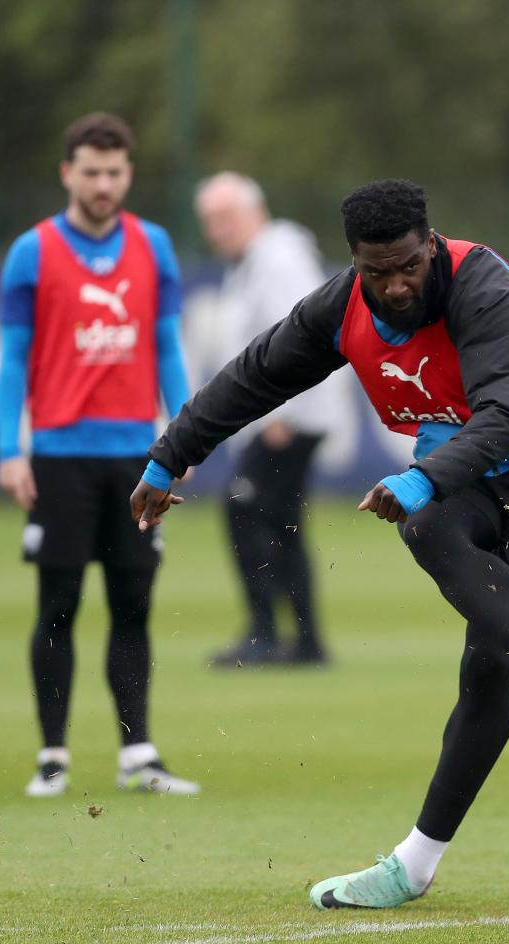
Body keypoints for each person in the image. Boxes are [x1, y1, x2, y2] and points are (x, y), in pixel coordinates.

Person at [130, 178, 509, 908]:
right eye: (376, 272)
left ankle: (414, 865)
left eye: (407, 267)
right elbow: (254, 377)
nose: (394, 287)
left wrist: (422, 478)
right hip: (461, 481)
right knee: (425, 530)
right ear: (356, 263)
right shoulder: (343, 306)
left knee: (487, 664)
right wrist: (168, 456)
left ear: (430, 245)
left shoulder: (482, 284)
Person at [0, 112, 200, 798]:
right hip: (58, 454)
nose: (103, 184)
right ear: (67, 173)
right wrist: (8, 448)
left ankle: (137, 755)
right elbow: (14, 360)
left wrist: (185, 433)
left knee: (133, 602)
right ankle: (52, 755)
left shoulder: (154, 246)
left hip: (137, 458)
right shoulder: (33, 251)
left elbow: (167, 345)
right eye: (91, 171)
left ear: (128, 174)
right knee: (58, 602)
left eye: (114, 172)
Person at [194, 172, 338, 666]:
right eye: (209, 221)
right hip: (282, 415)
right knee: (280, 522)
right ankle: (305, 640)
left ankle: (265, 632)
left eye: (224, 217)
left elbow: (299, 337)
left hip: (286, 418)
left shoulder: (279, 260)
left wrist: (283, 414)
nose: (216, 230)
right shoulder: (256, 261)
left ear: (255, 212)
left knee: (245, 508)